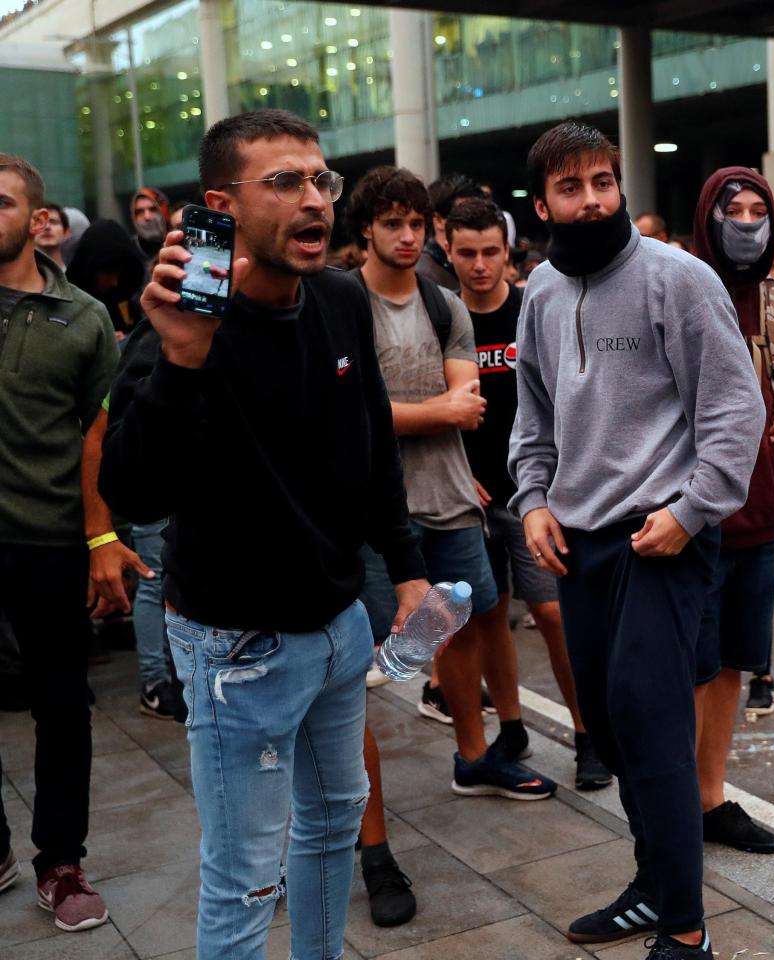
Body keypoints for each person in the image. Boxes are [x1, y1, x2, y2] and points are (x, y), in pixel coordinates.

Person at [99, 110, 434, 960]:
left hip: (337, 627)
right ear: (222, 206)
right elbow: (132, 491)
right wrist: (182, 359)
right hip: (236, 648)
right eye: (284, 181)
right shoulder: (176, 327)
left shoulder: (341, 299)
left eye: (321, 179)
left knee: (334, 823)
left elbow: (372, 440)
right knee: (246, 874)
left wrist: (406, 570)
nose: (315, 199)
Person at [510, 120, 763, 956]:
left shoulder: (677, 278)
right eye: (571, 187)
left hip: (662, 537)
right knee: (612, 729)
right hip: (575, 542)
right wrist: (533, 501)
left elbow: (735, 410)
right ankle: (655, 885)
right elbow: (534, 414)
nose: (592, 200)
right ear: (542, 204)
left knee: (652, 729)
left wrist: (690, 513)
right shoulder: (541, 291)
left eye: (603, 181)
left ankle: (686, 933)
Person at [345, 165, 557, 800]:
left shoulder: (444, 306)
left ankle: (474, 756)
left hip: (449, 497)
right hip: (371, 507)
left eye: (415, 223)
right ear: (366, 229)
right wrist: (428, 411)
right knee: (360, 653)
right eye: (393, 223)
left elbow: (469, 405)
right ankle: (352, 801)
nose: (407, 235)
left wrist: (396, 412)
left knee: (460, 625)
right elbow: (347, 413)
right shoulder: (342, 303)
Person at [444, 195, 611, 791]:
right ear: (449, 251)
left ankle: (589, 734)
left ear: (508, 252)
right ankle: (511, 726)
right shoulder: (444, 317)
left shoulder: (531, 305)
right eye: (467, 253)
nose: (480, 264)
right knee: (487, 614)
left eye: (490, 252)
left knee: (552, 613)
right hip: (468, 493)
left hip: (535, 491)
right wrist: (455, 471)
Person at [0, 152, 120, 934]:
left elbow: (98, 435)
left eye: (1, 202)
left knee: (62, 706)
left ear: (37, 217)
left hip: (49, 537)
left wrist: (101, 536)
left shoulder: (84, 317)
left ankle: (60, 860)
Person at [688, 168, 774, 853]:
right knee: (689, 665)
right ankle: (674, 801)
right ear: (707, 215)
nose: (744, 221)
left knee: (733, 661)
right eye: (731, 209)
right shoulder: (681, 286)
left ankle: (710, 797)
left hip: (762, 511)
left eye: (756, 209)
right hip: (691, 514)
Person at [417, 173, 481, 292]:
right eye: (463, 215)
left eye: (479, 214)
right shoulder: (425, 275)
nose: (475, 222)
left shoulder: (478, 264)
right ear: (439, 220)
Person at [129, 187, 169, 258]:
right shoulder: (128, 250)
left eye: (153, 209)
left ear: (164, 212)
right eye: (140, 212)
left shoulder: (180, 242)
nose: (147, 217)